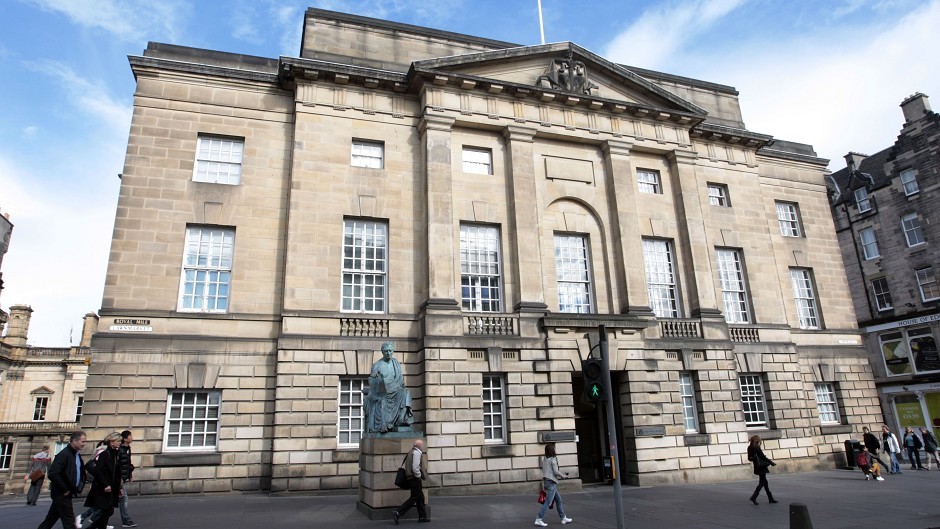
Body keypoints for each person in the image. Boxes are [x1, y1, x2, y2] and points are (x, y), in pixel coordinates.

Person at [36, 431, 86, 529]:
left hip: (66, 492)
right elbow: (53, 474)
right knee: (70, 522)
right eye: (83, 441)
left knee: (50, 519)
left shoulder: (76, 455)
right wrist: (65, 489)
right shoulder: (64, 454)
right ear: (75, 441)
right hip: (61, 493)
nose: (84, 444)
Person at [365, 342, 413, 433]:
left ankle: (401, 419)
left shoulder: (396, 364)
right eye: (386, 351)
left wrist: (400, 385)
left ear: (393, 351)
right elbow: (371, 380)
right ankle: (384, 425)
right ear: (382, 352)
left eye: (390, 351)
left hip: (395, 389)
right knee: (382, 400)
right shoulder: (377, 365)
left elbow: (400, 380)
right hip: (383, 391)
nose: (388, 353)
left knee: (406, 393)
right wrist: (377, 384)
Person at [83, 432, 123, 529]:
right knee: (106, 511)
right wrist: (105, 484)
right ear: (111, 442)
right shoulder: (106, 454)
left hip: (112, 487)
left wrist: (120, 488)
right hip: (105, 488)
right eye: (118, 441)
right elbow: (98, 470)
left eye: (120, 441)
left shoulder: (115, 454)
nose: (119, 443)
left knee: (108, 511)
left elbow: (117, 473)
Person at [534, 442, 572, 526]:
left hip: (547, 481)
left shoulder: (545, 458)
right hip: (552, 482)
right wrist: (563, 476)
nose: (555, 449)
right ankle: (539, 518)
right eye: (554, 448)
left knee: (559, 500)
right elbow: (555, 471)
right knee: (548, 502)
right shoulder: (553, 459)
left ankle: (563, 518)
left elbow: (544, 470)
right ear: (552, 450)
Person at [393, 440, 429, 524]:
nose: (423, 446)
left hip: (410, 478)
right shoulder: (416, 453)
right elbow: (415, 467)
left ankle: (422, 517)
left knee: (420, 498)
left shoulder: (411, 452)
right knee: (414, 498)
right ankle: (398, 512)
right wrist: (419, 476)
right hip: (414, 478)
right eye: (422, 444)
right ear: (419, 445)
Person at [77, 441, 111, 529]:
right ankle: (85, 517)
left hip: (101, 482)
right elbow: (99, 469)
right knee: (102, 505)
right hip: (100, 483)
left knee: (103, 506)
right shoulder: (102, 453)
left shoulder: (103, 453)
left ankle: (99, 522)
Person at [747, 435, 777, 505]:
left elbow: (749, 458)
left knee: (765, 482)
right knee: (762, 482)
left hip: (757, 466)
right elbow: (763, 457)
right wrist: (771, 462)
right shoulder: (756, 447)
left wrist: (754, 458)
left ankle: (770, 498)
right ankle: (754, 497)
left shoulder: (749, 447)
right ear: (757, 440)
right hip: (762, 466)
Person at [117, 431, 137, 527]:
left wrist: (130, 476)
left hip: (123, 478)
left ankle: (88, 517)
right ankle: (125, 520)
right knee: (123, 498)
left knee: (120, 499)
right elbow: (118, 466)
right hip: (118, 479)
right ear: (125, 439)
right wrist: (120, 478)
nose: (132, 437)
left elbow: (128, 464)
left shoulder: (127, 448)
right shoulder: (120, 449)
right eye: (130, 436)